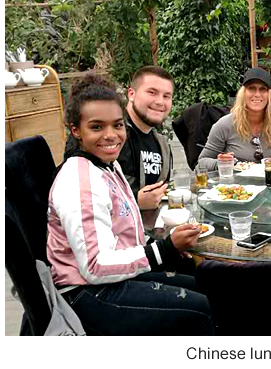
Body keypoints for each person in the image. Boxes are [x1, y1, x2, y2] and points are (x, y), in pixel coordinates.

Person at [47, 74, 213, 335]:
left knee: (204, 281)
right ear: (75, 130)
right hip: (86, 294)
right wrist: (165, 249)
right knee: (200, 307)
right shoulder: (79, 181)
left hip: (112, 278)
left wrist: (165, 249)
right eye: (97, 127)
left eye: (117, 125)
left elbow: (125, 234)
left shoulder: (107, 165)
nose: (111, 135)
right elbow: (95, 266)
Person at [197, 67, 271, 171]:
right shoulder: (224, 125)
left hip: (269, 184)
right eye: (252, 88)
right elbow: (201, 163)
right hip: (236, 185)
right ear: (243, 94)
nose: (257, 94)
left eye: (263, 89)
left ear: (270, 95)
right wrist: (220, 163)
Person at [116, 66, 174, 210]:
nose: (160, 102)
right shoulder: (111, 135)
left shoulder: (162, 143)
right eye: (152, 92)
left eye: (166, 96)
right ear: (131, 94)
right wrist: (135, 201)